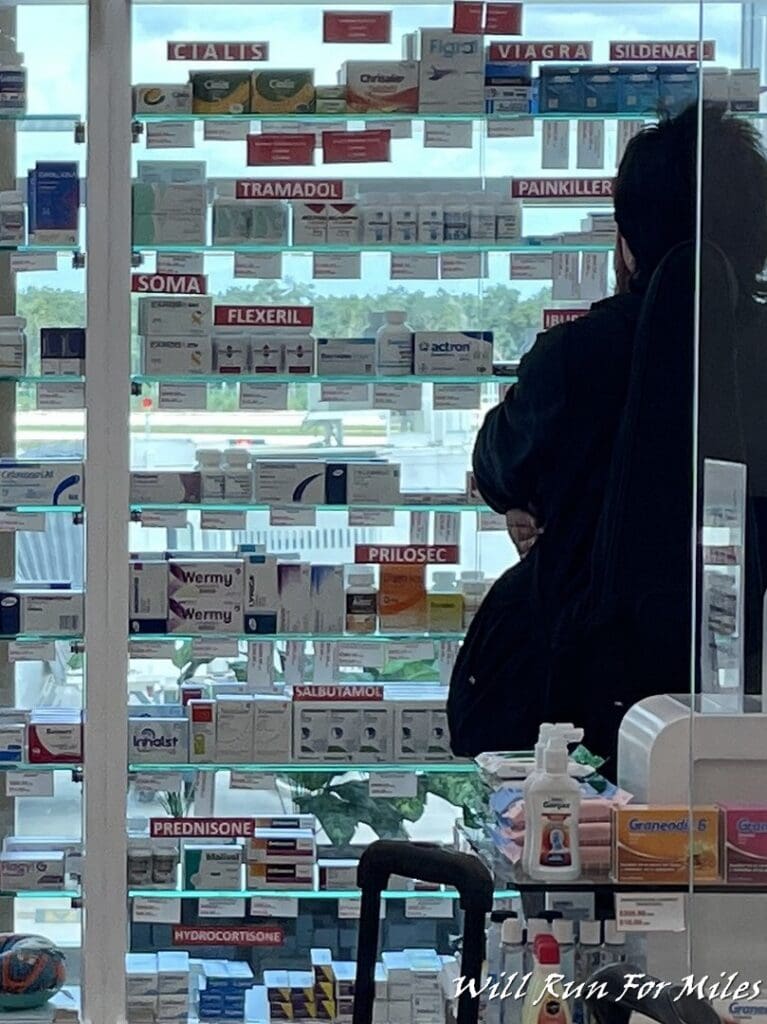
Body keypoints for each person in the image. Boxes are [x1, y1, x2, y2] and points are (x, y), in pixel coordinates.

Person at [449, 102, 767, 768]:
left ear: (626, 239)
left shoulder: (576, 356)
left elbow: (499, 467)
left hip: (585, 696)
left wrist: (545, 509)